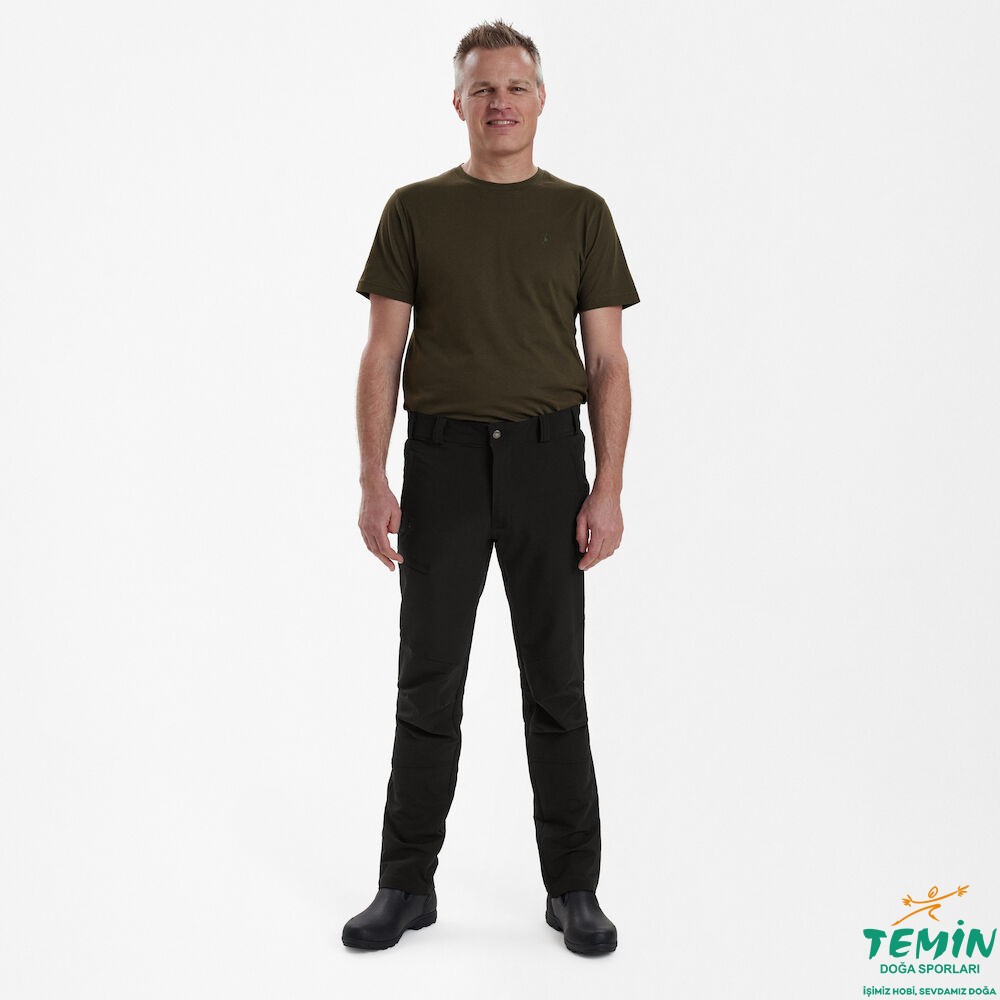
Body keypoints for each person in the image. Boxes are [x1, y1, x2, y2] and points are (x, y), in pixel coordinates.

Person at [342, 19, 639, 956]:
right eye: (482, 88)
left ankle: (574, 888)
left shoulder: (583, 212)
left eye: (515, 87)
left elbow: (608, 361)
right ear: (458, 102)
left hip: (549, 465)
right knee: (428, 681)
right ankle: (404, 884)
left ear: (540, 99)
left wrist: (608, 487)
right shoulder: (414, 209)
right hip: (443, 466)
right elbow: (383, 353)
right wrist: (373, 478)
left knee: (556, 685)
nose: (499, 102)